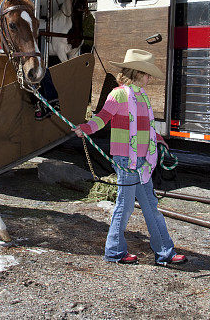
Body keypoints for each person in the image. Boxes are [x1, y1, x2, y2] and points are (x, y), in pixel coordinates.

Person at [72, 49, 186, 266]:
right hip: (125, 160)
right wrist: (86, 128)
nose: (149, 78)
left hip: (143, 161)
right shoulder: (118, 94)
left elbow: (147, 127)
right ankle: (114, 251)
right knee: (125, 206)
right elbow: (103, 117)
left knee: (150, 206)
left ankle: (165, 253)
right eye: (147, 74)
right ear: (136, 72)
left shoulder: (142, 97)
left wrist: (159, 141)